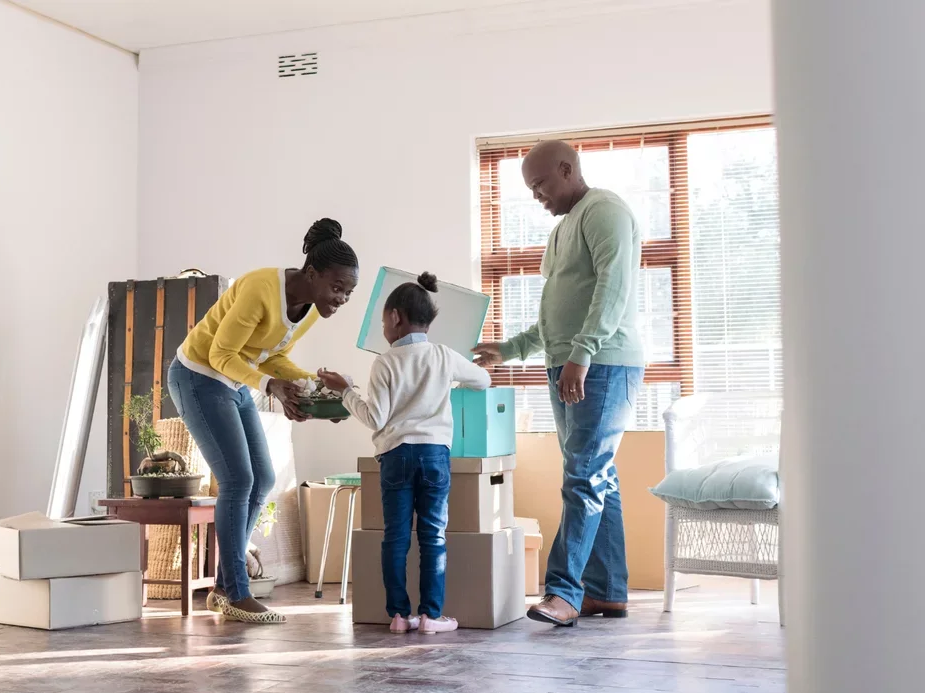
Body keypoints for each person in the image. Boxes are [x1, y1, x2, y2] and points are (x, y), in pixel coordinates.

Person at [473, 140, 644, 628]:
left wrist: (582, 354)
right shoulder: (564, 227)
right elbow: (557, 313)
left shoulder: (604, 211)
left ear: (567, 169)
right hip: (571, 362)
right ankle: (607, 592)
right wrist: (509, 350)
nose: (536, 196)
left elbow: (613, 289)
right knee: (597, 478)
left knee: (584, 475)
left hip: (602, 364)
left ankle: (563, 593)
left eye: (541, 184)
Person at [168, 218, 359, 624]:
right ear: (312, 273)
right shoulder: (260, 289)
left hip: (235, 381)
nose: (341, 299)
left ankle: (223, 587)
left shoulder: (309, 310)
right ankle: (237, 592)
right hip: (198, 376)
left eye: (349, 292)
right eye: (337, 288)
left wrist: (314, 389)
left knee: (263, 478)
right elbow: (220, 354)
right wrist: (270, 386)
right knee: (238, 481)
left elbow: (270, 356)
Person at [318, 272, 491, 634]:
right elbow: (484, 380)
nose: (383, 328)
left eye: (383, 320)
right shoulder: (444, 356)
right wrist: (463, 374)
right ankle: (431, 615)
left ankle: (399, 615)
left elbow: (373, 417)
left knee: (395, 536)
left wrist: (346, 390)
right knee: (433, 537)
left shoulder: (384, 363)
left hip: (395, 456)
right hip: (434, 457)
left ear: (396, 317)